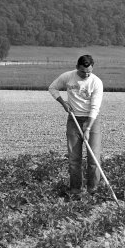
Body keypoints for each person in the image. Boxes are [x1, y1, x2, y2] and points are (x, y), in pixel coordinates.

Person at [49, 54, 103, 196]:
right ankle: (75, 190)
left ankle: (93, 190)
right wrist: (63, 102)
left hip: (92, 120)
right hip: (73, 119)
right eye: (82, 72)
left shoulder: (96, 82)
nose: (86, 75)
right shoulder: (68, 77)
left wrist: (88, 128)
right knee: (74, 158)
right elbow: (53, 88)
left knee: (94, 158)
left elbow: (95, 108)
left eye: (89, 72)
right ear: (76, 68)